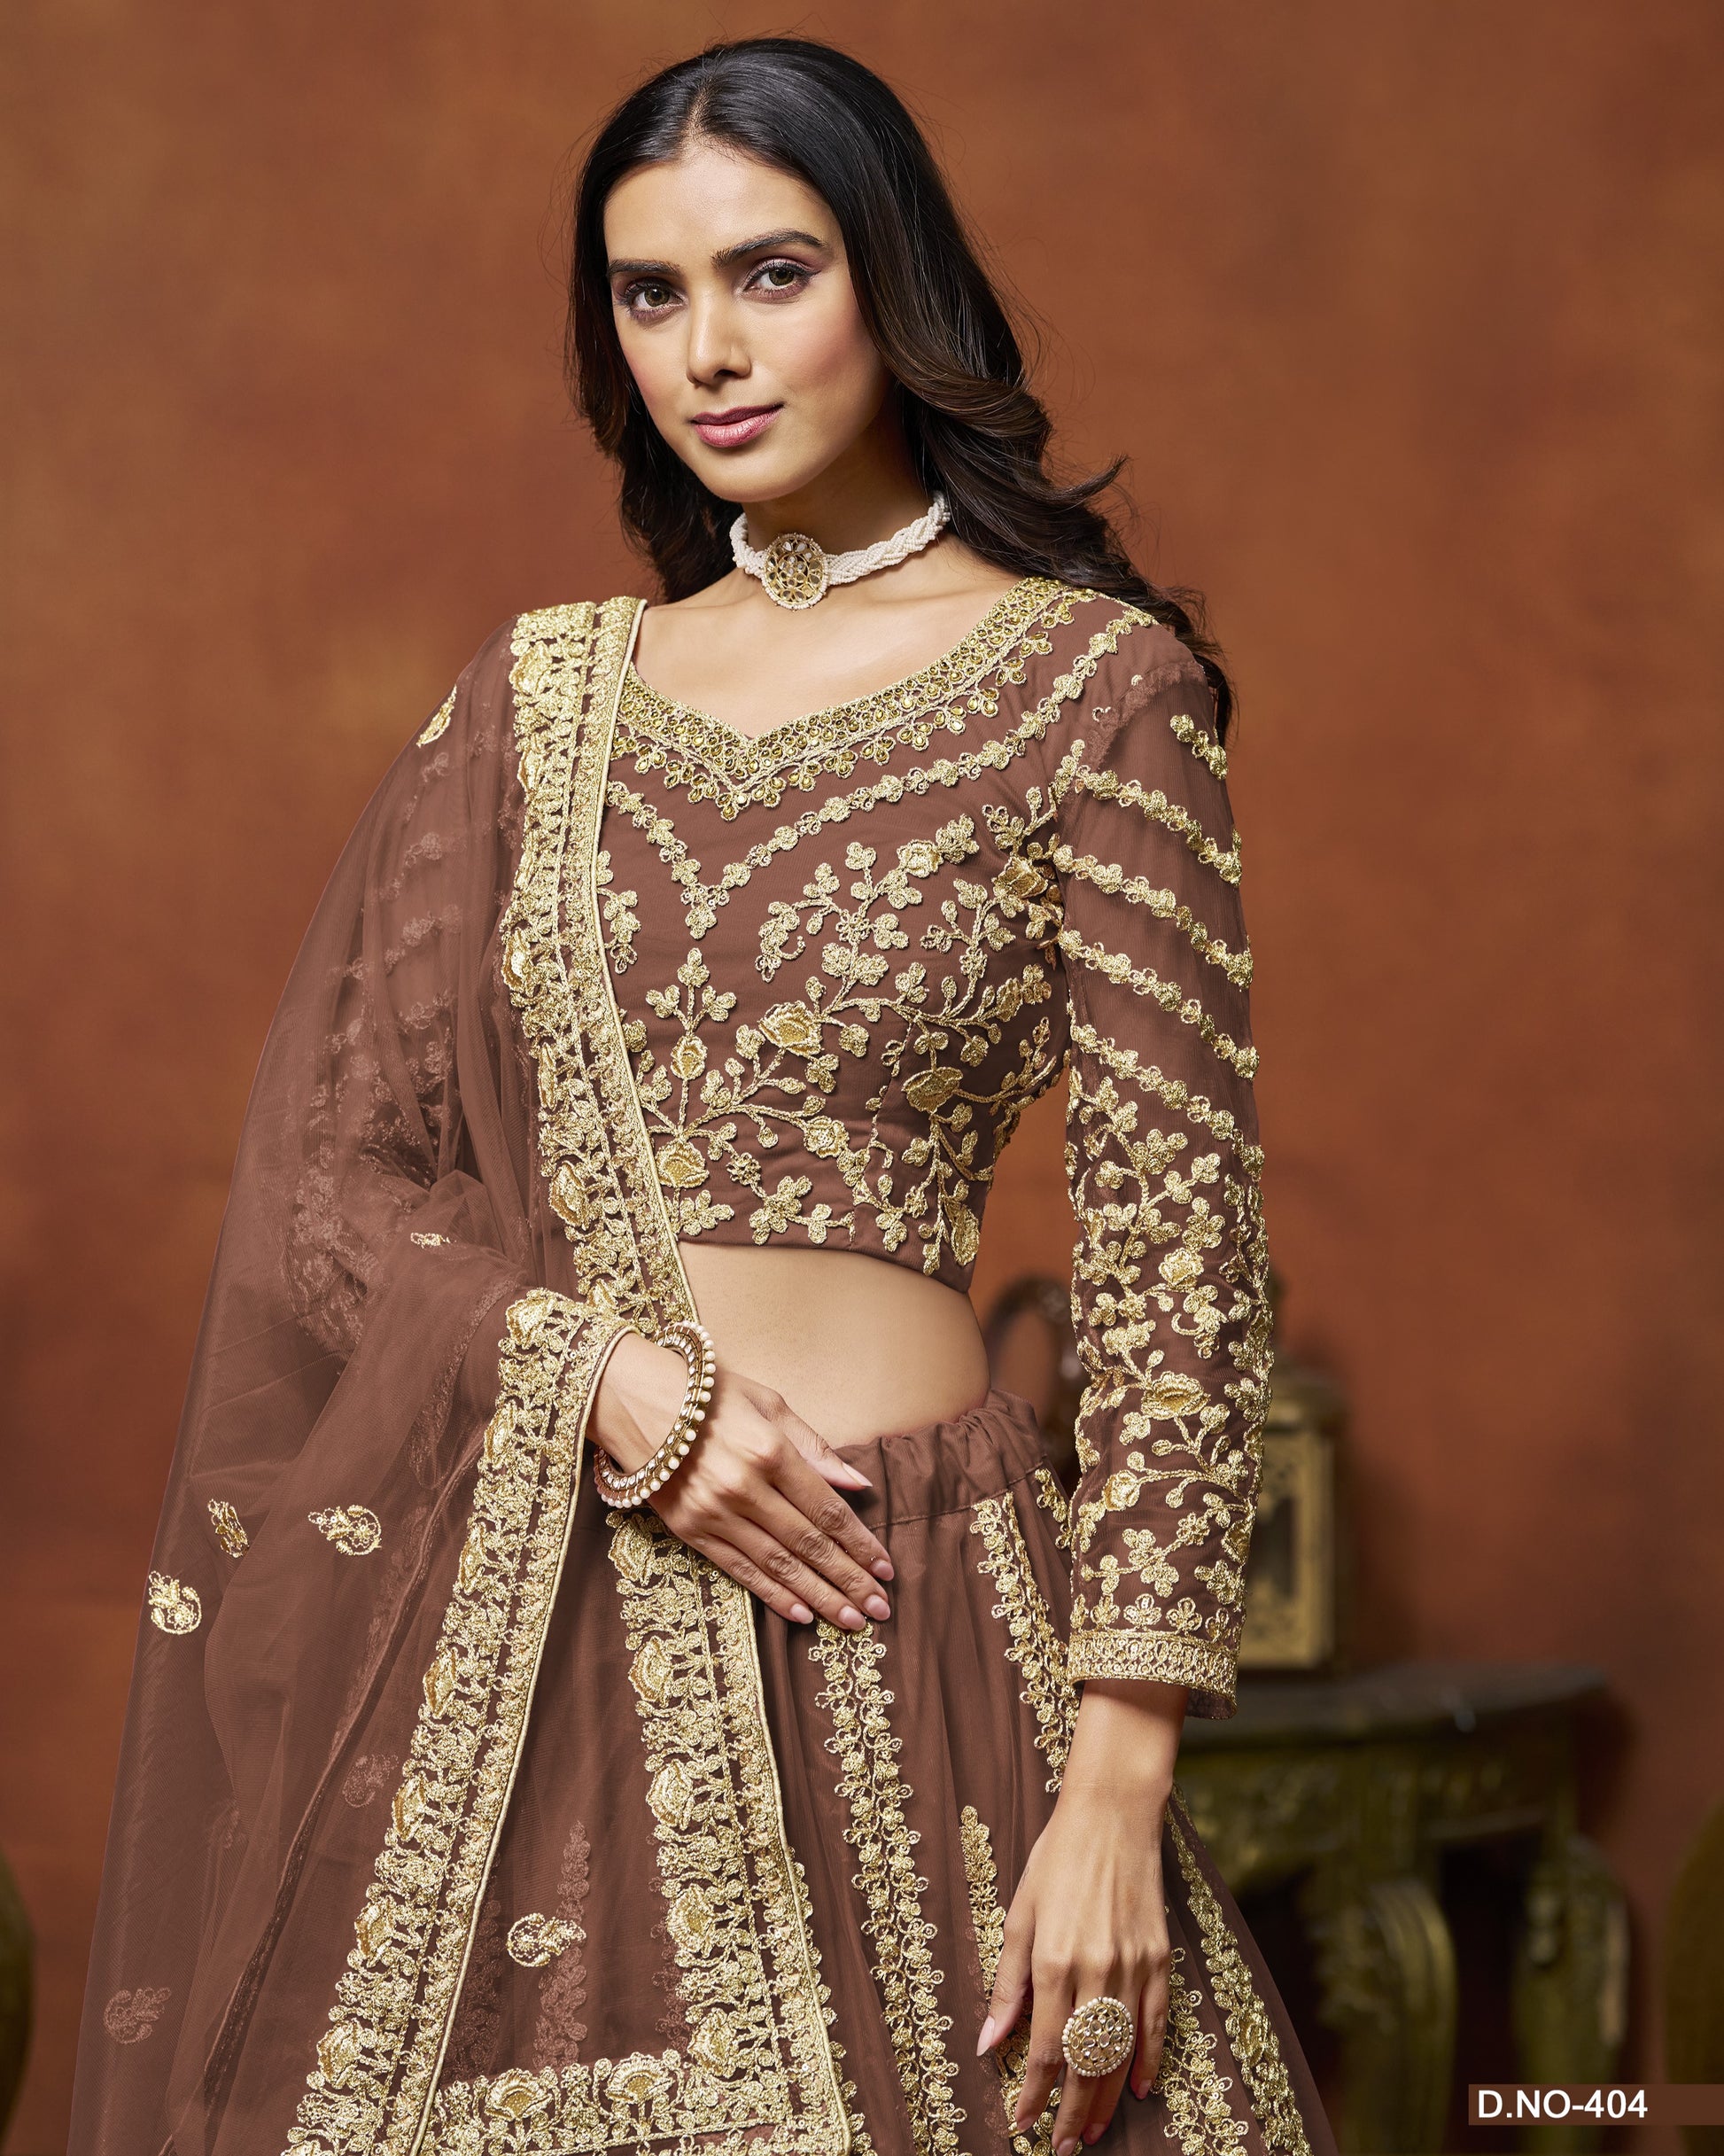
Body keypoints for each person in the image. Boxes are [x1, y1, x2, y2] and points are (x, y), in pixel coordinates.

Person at [69, 36, 1336, 2156]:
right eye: (650, 296)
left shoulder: (1092, 691)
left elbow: (1173, 1255)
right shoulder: (534, 702)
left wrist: (1119, 1773)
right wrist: (597, 1383)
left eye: (770, 272)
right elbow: (330, 1182)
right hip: (536, 1595)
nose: (707, 352)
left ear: (892, 285)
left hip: (899, 1594)